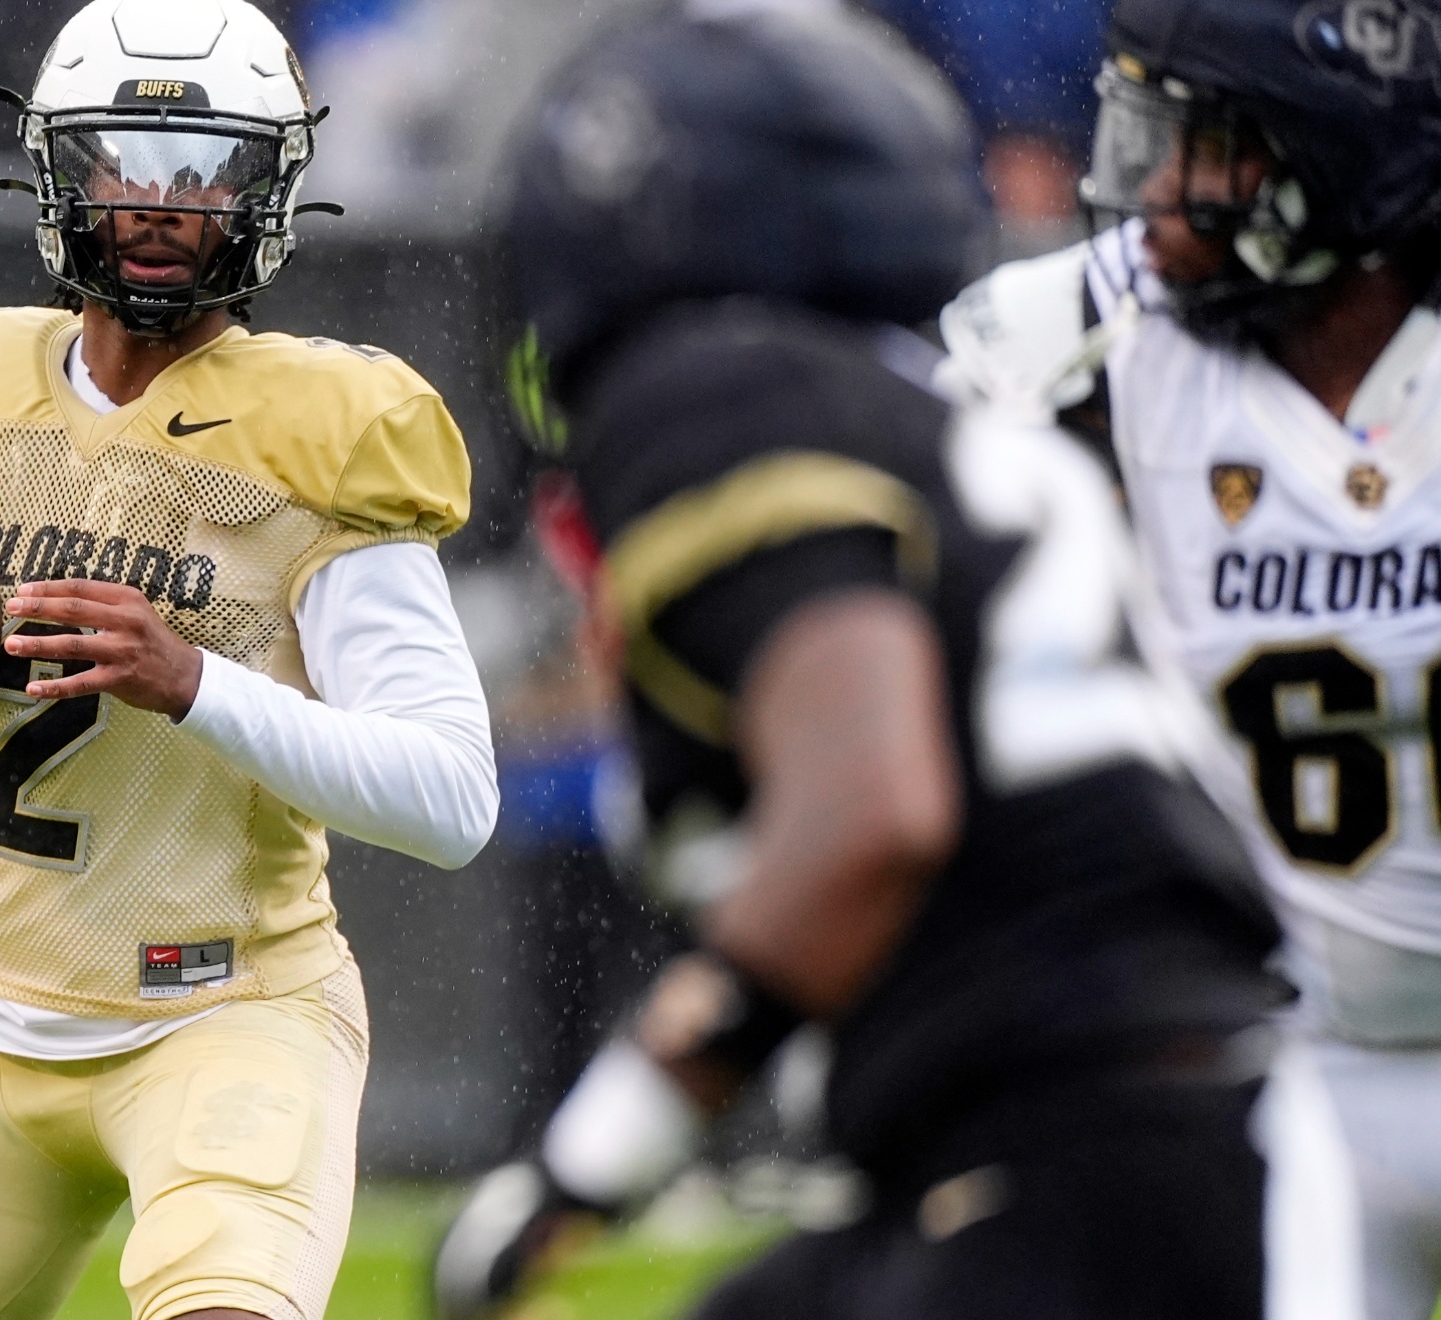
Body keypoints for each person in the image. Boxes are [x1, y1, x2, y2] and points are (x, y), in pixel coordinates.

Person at [452, 3, 1286, 1317]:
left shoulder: (717, 386)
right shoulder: (902, 407)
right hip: (1168, 1124)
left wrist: (586, 1160)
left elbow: (871, 818)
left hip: (1072, 1149)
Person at [0, 2, 499, 1317]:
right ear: (61, 170)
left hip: (222, 1015)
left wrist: (199, 683)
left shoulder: (325, 429)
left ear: (265, 189)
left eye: (206, 170)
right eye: (129, 165)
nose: (163, 206)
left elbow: (455, 799)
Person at [935, 2, 1441, 1317]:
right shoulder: (1098, 329)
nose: (1149, 188)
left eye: (1204, 144)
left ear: (1330, 153)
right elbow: (878, 453)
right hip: (1291, 1069)